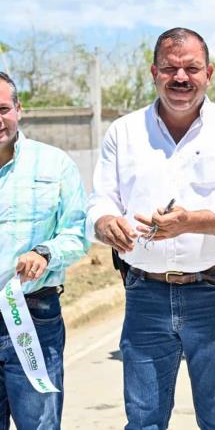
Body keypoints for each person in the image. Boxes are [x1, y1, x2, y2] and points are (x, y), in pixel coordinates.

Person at [86, 28, 215, 430]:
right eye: (170, 68)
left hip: (214, 291)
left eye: (191, 68)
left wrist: (191, 222)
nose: (180, 77)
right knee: (144, 418)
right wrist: (104, 220)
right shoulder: (124, 132)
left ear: (209, 73)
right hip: (144, 291)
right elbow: (100, 198)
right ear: (154, 72)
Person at [0, 71, 89, 429]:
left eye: (2, 108)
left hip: (32, 317)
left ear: (19, 109)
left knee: (39, 424)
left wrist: (45, 253)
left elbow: (78, 232)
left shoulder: (55, 164)